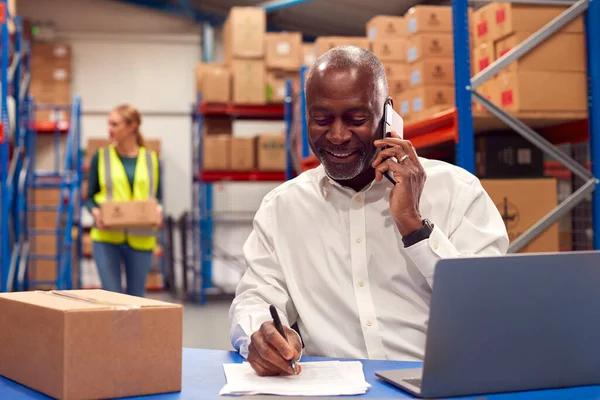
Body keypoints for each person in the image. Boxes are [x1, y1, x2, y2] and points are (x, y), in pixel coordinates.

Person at [229, 46, 509, 376]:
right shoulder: (282, 208)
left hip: (439, 384)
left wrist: (413, 225)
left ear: (387, 115)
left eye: (356, 119)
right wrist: (260, 334)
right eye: (320, 120)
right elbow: (255, 297)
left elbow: (489, 307)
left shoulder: (456, 192)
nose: (336, 135)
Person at [86, 104, 163, 297]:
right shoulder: (101, 157)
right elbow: (89, 198)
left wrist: (160, 210)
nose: (109, 129)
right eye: (108, 124)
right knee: (111, 299)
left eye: (114, 124)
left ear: (131, 127)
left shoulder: (151, 159)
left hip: (141, 238)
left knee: (136, 300)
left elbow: (157, 197)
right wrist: (95, 212)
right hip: (107, 238)